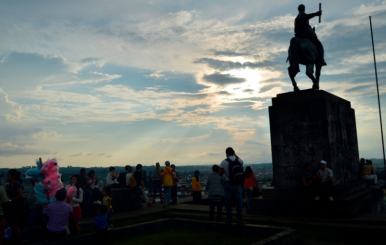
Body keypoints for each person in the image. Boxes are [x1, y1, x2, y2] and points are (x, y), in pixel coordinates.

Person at [219, 147, 246, 225]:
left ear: (226, 153)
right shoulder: (239, 161)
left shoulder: (224, 162)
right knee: (238, 202)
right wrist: (235, 155)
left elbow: (220, 174)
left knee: (228, 202)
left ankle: (229, 218)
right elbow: (241, 161)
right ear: (233, 152)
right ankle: (239, 218)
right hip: (238, 183)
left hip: (228, 183)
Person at [21, 178, 47, 244]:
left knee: (31, 222)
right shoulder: (31, 185)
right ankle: (49, 231)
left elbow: (42, 194)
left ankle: (27, 237)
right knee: (41, 221)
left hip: (36, 206)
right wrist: (25, 202)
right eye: (30, 178)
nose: (31, 179)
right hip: (31, 206)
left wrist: (39, 204)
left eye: (33, 178)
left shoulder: (39, 185)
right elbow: (28, 194)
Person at [5, 169, 23, 244]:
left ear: (13, 176)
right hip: (11, 208)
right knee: (10, 225)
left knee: (14, 226)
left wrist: (11, 200)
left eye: (8, 176)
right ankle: (13, 240)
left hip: (16, 207)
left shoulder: (17, 184)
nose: (7, 177)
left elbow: (20, 195)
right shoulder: (10, 185)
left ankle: (18, 241)